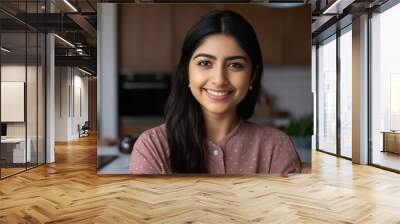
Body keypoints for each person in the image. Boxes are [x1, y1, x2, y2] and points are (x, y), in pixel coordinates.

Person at [129, 10, 302, 174]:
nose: (219, 79)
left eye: (235, 65)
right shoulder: (152, 147)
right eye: (205, 63)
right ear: (186, 71)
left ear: (252, 77)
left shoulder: (276, 146)